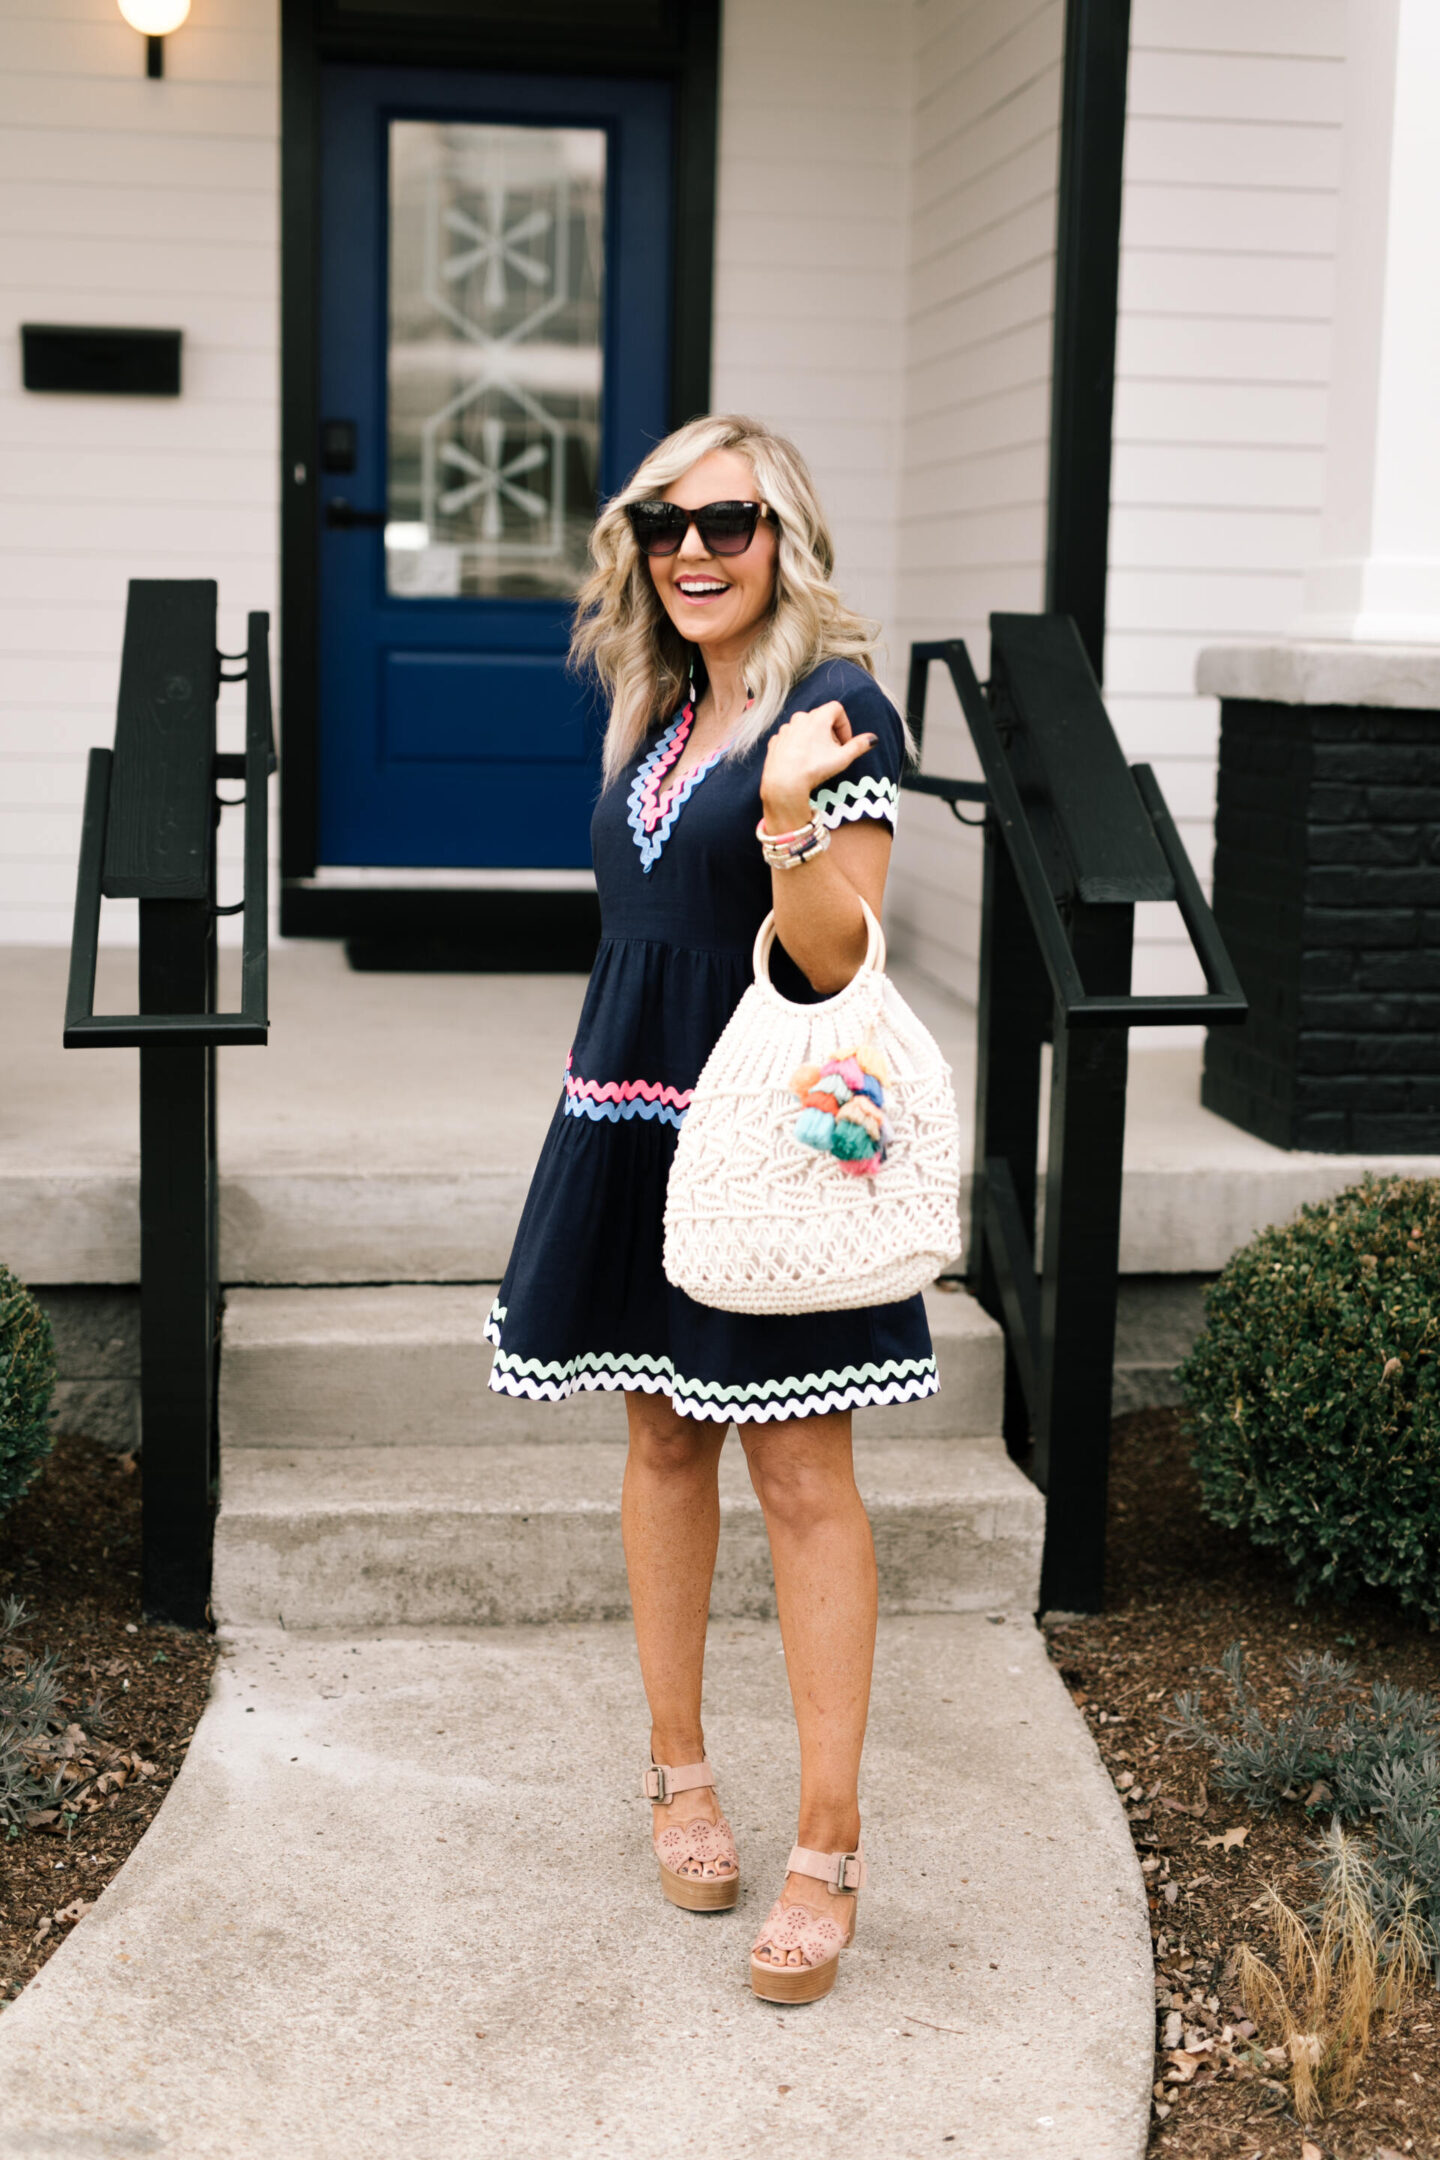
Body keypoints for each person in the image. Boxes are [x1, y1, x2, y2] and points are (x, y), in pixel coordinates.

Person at [486, 413, 938, 2004]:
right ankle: (678, 1771)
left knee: (803, 1473)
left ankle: (829, 1845)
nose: (691, 552)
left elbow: (835, 955)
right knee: (663, 1438)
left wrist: (785, 820)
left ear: (784, 536)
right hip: (632, 1111)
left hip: (764, 1134)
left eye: (726, 524)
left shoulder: (837, 709)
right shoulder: (659, 700)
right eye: (662, 525)